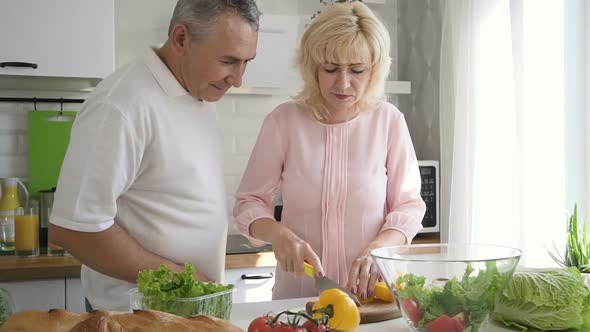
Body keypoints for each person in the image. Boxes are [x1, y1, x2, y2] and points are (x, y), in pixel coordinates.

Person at [48, 0, 260, 311]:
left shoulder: (198, 94)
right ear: (181, 39)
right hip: (134, 317)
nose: (238, 79)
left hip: (188, 312)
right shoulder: (121, 103)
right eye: (228, 61)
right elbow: (74, 228)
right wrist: (177, 279)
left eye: (246, 62)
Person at [233, 1, 426, 300]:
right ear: (312, 68)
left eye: (357, 70)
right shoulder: (283, 122)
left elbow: (409, 206)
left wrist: (378, 249)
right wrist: (279, 235)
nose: (343, 83)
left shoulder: (389, 121)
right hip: (299, 298)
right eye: (331, 68)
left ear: (373, 70)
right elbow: (249, 203)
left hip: (372, 297)